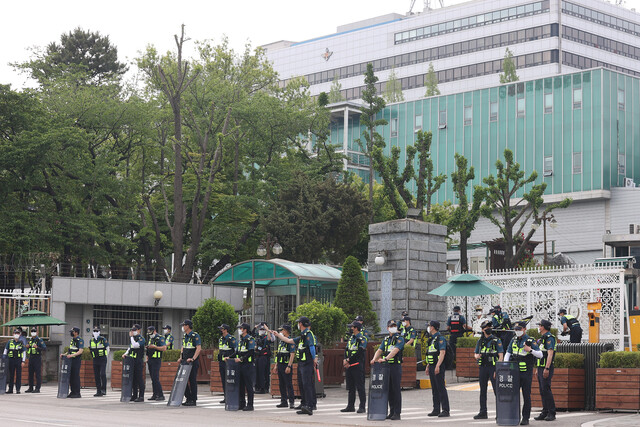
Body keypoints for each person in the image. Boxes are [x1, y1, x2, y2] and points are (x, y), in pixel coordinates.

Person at [266, 316, 317, 416]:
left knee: (307, 385)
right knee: (302, 384)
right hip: (302, 363)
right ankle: (305, 405)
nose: (298, 325)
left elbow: (312, 347)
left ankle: (310, 406)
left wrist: (314, 358)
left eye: (299, 323)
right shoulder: (302, 335)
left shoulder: (308, 334)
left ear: (301, 324)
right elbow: (289, 340)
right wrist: (277, 335)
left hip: (307, 362)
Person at [504, 321, 543, 426]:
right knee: (513, 395)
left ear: (524, 329)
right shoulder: (514, 339)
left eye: (519, 329)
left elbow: (540, 354)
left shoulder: (530, 340)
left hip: (526, 372)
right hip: (514, 372)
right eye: (516, 330)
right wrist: (505, 365)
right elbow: (508, 352)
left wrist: (530, 350)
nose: (517, 331)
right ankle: (513, 416)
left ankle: (525, 418)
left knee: (526, 395)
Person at [371, 320, 404, 421]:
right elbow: (380, 350)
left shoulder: (400, 339)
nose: (393, 328)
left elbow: (395, 350)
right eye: (391, 326)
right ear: (387, 328)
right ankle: (391, 411)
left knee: (396, 390)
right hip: (386, 367)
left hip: (395, 366)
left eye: (394, 326)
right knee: (388, 389)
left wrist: (385, 359)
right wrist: (374, 359)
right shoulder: (386, 340)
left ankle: (397, 413)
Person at [473, 320, 504, 419]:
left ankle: (500, 412)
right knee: (482, 391)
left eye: (490, 326)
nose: (489, 328)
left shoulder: (496, 340)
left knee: (497, 391)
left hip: (493, 368)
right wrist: (477, 356)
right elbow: (475, 353)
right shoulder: (480, 341)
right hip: (483, 367)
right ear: (482, 330)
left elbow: (501, 356)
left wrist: (497, 369)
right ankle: (483, 412)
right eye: (487, 327)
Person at [425, 320, 450, 418]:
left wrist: (438, 366)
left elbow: (442, 352)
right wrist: (428, 366)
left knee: (441, 388)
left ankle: (445, 410)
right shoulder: (432, 339)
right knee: (434, 389)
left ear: (433, 327)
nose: (428, 328)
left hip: (438, 366)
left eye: (429, 326)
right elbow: (431, 353)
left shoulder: (440, 339)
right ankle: (436, 409)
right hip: (432, 366)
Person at [342, 320, 367, 414]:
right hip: (349, 366)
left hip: (357, 365)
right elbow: (347, 349)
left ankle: (362, 406)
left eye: (352, 327)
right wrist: (345, 359)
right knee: (350, 387)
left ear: (356, 328)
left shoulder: (362, 338)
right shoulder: (351, 338)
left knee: (360, 387)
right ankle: (350, 406)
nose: (350, 329)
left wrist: (349, 360)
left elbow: (360, 352)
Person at [534, 319, 557, 422]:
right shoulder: (542, 338)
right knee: (542, 390)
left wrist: (547, 368)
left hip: (546, 368)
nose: (538, 327)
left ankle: (551, 412)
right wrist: (537, 369)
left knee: (546, 389)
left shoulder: (550, 338)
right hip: (540, 368)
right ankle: (545, 411)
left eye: (539, 325)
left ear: (543, 327)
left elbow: (550, 354)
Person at [178, 319, 201, 406]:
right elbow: (183, 347)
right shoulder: (185, 336)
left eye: (184, 325)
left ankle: (193, 400)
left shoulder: (195, 335)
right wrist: (181, 357)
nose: (183, 327)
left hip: (192, 362)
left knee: (192, 381)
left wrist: (193, 358)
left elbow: (198, 348)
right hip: (184, 362)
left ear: (188, 326)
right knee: (183, 380)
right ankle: (188, 398)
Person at [273, 324, 296, 409]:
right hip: (280, 365)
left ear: (286, 331)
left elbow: (292, 354)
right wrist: (276, 365)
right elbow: (279, 354)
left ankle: (291, 402)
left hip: (286, 365)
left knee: (288, 384)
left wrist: (289, 366)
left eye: (282, 330)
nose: (281, 332)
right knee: (281, 384)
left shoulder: (290, 341)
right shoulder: (281, 342)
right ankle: (283, 401)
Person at [235, 322, 256, 411]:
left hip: (247, 365)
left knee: (248, 385)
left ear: (245, 330)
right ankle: (242, 403)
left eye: (241, 329)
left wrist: (242, 359)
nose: (240, 330)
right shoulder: (241, 340)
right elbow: (237, 352)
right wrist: (230, 357)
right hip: (240, 365)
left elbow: (251, 352)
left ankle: (250, 404)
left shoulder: (250, 339)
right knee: (241, 385)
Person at [123, 324, 146, 402]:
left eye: (135, 330)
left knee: (139, 379)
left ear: (139, 330)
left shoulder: (141, 339)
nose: (133, 332)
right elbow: (130, 348)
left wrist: (131, 337)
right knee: (133, 379)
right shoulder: (133, 339)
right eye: (132, 330)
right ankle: (134, 395)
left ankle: (141, 396)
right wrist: (125, 354)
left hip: (138, 361)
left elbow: (135, 345)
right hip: (132, 361)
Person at [61, 326, 84, 398]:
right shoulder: (72, 340)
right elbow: (70, 350)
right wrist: (64, 354)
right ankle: (72, 391)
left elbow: (80, 351)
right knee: (71, 376)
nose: (71, 333)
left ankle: (77, 393)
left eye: (72, 332)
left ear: (76, 333)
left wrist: (72, 355)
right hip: (71, 360)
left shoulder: (79, 340)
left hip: (76, 360)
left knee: (75, 376)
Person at [217, 323, 237, 404]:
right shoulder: (221, 339)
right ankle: (226, 397)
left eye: (222, 329)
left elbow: (236, 351)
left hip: (229, 363)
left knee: (230, 380)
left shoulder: (231, 339)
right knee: (223, 380)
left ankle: (231, 396)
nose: (221, 330)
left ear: (226, 330)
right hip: (222, 362)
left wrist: (230, 357)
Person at [146, 326, 166, 401]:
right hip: (150, 360)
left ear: (154, 331)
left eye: (151, 333)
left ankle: (161, 395)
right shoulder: (151, 339)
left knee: (155, 378)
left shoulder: (160, 338)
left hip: (156, 360)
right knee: (153, 378)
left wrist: (155, 347)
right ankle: (155, 394)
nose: (150, 335)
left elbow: (164, 348)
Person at [4, 329, 26, 393]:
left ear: (20, 335)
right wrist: (4, 358)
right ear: (13, 334)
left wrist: (23, 361)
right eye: (15, 333)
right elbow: (5, 350)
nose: (16, 334)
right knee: (11, 375)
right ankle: (10, 389)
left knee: (19, 375)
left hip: (18, 360)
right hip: (11, 360)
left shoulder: (21, 343)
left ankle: (18, 389)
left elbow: (24, 352)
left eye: (18, 333)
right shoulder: (10, 342)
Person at [89, 326, 109, 397]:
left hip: (102, 359)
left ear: (99, 332)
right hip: (95, 359)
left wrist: (106, 356)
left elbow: (107, 348)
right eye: (94, 331)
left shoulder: (103, 339)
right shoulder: (91, 340)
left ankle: (103, 389)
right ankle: (98, 390)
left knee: (102, 374)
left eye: (97, 331)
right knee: (96, 375)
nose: (95, 333)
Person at [25, 327, 46, 393]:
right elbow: (30, 349)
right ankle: (30, 387)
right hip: (31, 358)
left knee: (37, 374)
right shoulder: (30, 340)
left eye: (34, 331)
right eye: (32, 331)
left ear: (37, 332)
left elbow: (44, 348)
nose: (33, 332)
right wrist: (28, 347)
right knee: (30, 373)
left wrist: (37, 347)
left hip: (37, 358)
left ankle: (37, 388)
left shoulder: (39, 340)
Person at [255, 322, 274, 394]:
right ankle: (258, 387)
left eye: (263, 329)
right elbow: (252, 334)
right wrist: (255, 327)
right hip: (258, 356)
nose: (261, 330)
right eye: (260, 329)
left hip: (264, 356)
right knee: (258, 372)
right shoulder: (259, 336)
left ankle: (264, 388)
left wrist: (267, 330)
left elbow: (269, 339)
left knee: (263, 373)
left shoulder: (266, 336)